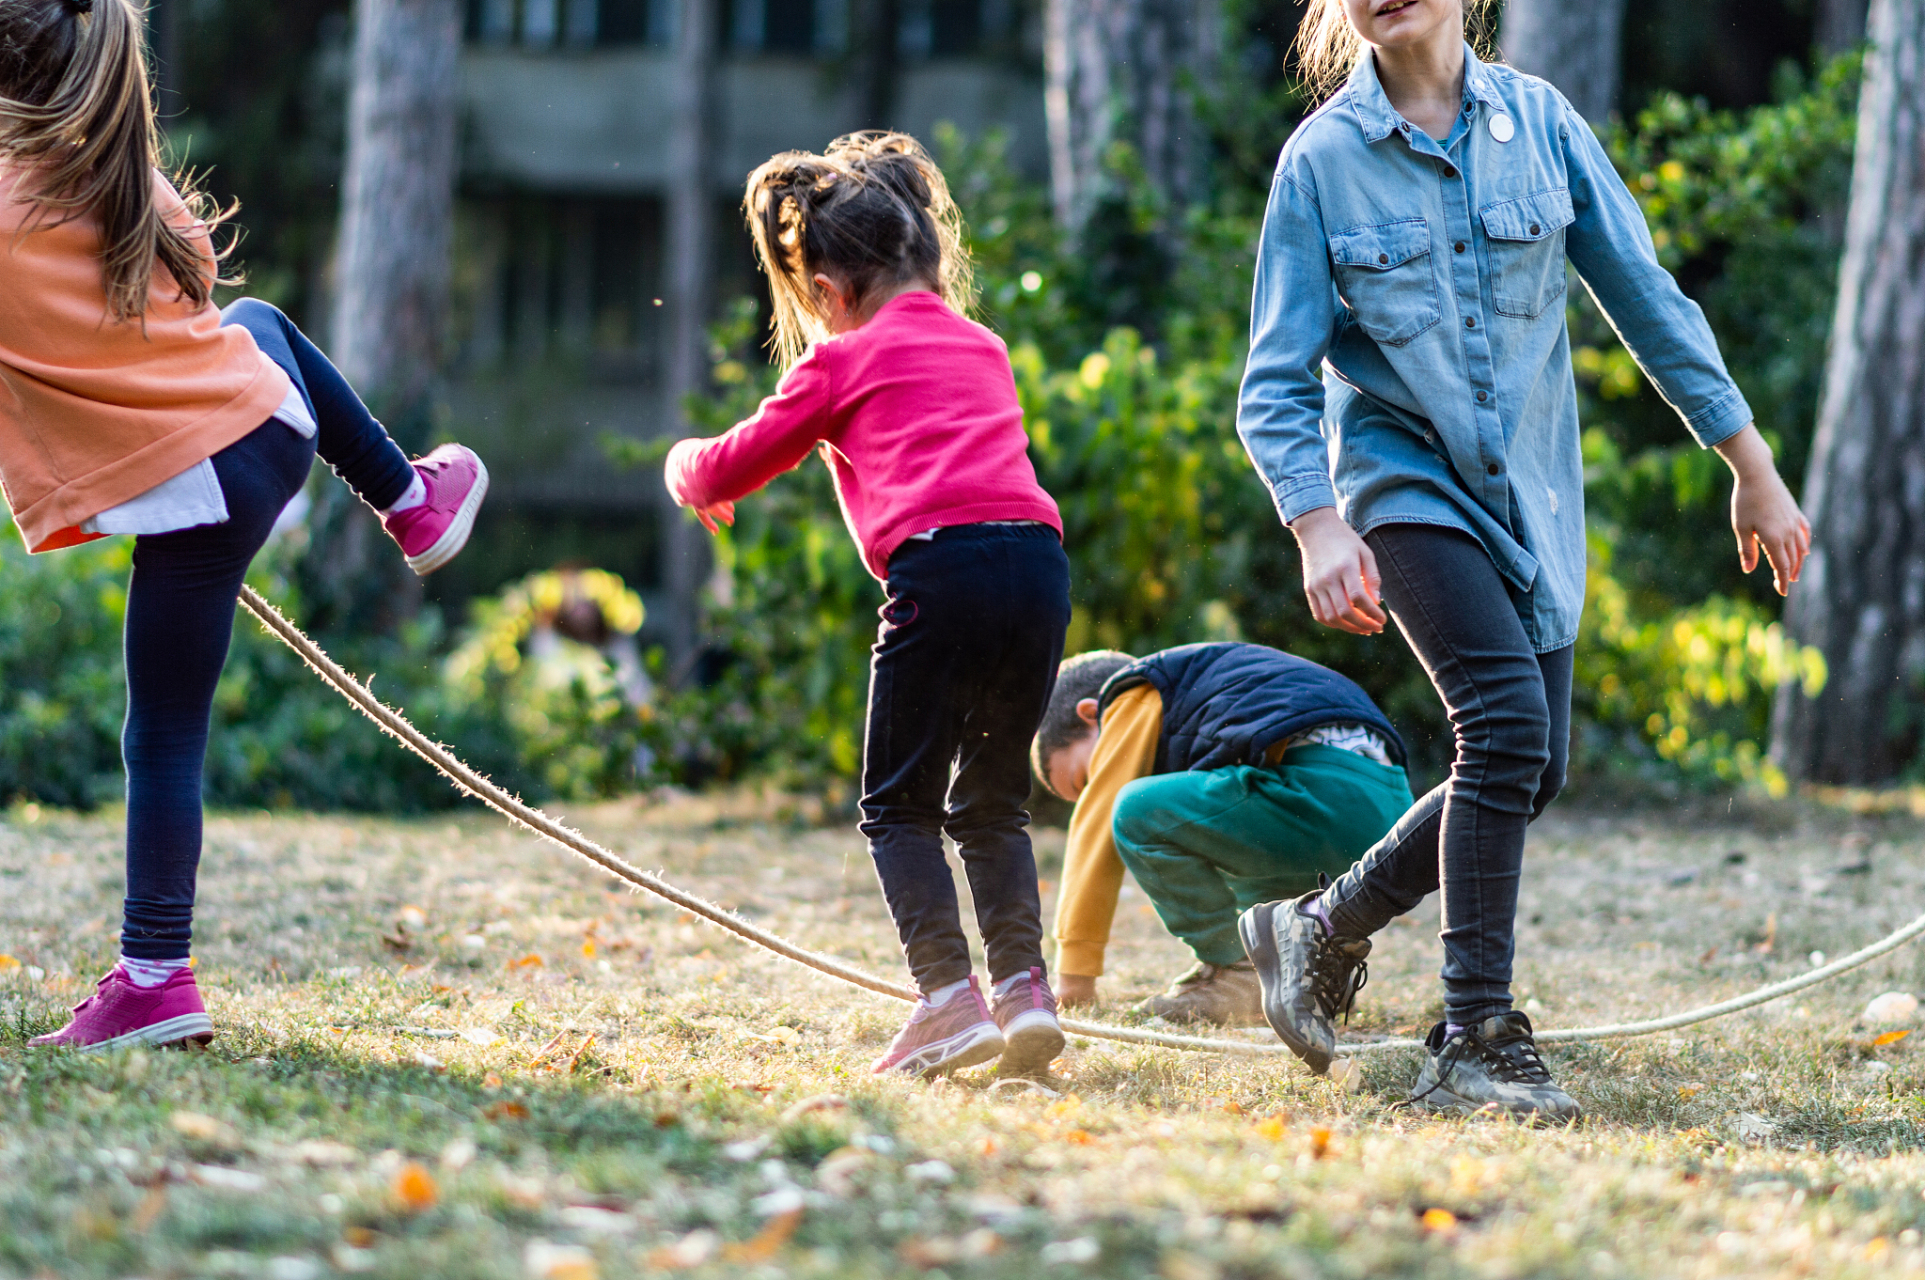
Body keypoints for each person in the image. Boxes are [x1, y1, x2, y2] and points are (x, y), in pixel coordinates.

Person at [1234, 0, 1809, 1119]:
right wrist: (1315, 522)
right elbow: (1273, 377)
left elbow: (1646, 298)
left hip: (1531, 496)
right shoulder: (1320, 164)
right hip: (1398, 488)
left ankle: (1318, 926)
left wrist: (1750, 461)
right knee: (1500, 727)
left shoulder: (1540, 127)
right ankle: (1472, 1035)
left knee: (1527, 766)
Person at [3, 0, 488, 1051]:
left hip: (202, 476)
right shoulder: (118, 169)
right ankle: (405, 497)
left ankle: (154, 978)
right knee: (257, 324)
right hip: (260, 435)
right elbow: (199, 280)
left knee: (161, 733)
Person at [664, 131, 1071, 1079]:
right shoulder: (983, 344)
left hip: (939, 572)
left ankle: (944, 1002)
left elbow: (729, 464)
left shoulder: (839, 360)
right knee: (993, 802)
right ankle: (1021, 992)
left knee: (896, 806)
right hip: (1037, 568)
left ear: (825, 293)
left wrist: (685, 469)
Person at [1032, 643, 1412, 1025]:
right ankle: (1308, 978)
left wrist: (1074, 974)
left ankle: (1234, 972)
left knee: (1135, 808)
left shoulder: (1132, 692)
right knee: (1237, 867)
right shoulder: (1210, 690)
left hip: (1319, 790)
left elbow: (1097, 823)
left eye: (1086, 779)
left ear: (1090, 714)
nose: (1094, 791)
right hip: (1391, 814)